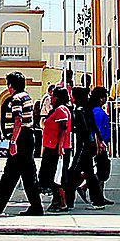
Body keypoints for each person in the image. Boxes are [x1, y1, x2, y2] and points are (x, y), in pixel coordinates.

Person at [0, 72, 43, 216]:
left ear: (11, 85)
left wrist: (13, 141)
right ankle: (35, 206)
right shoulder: (27, 97)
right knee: (25, 174)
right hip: (28, 138)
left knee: (12, 174)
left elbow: (18, 120)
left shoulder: (16, 99)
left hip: (20, 139)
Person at [67, 85, 111, 208]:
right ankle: (98, 201)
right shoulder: (87, 109)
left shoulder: (80, 110)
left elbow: (86, 129)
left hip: (83, 145)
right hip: (89, 145)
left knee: (73, 173)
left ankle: (68, 202)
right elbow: (94, 128)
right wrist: (99, 141)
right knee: (90, 174)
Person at [38, 84, 74, 212]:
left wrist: (60, 146)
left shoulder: (61, 110)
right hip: (52, 146)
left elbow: (63, 128)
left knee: (57, 176)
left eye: (53, 96)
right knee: (53, 175)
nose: (51, 99)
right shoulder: (58, 109)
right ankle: (56, 201)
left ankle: (62, 202)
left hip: (57, 148)